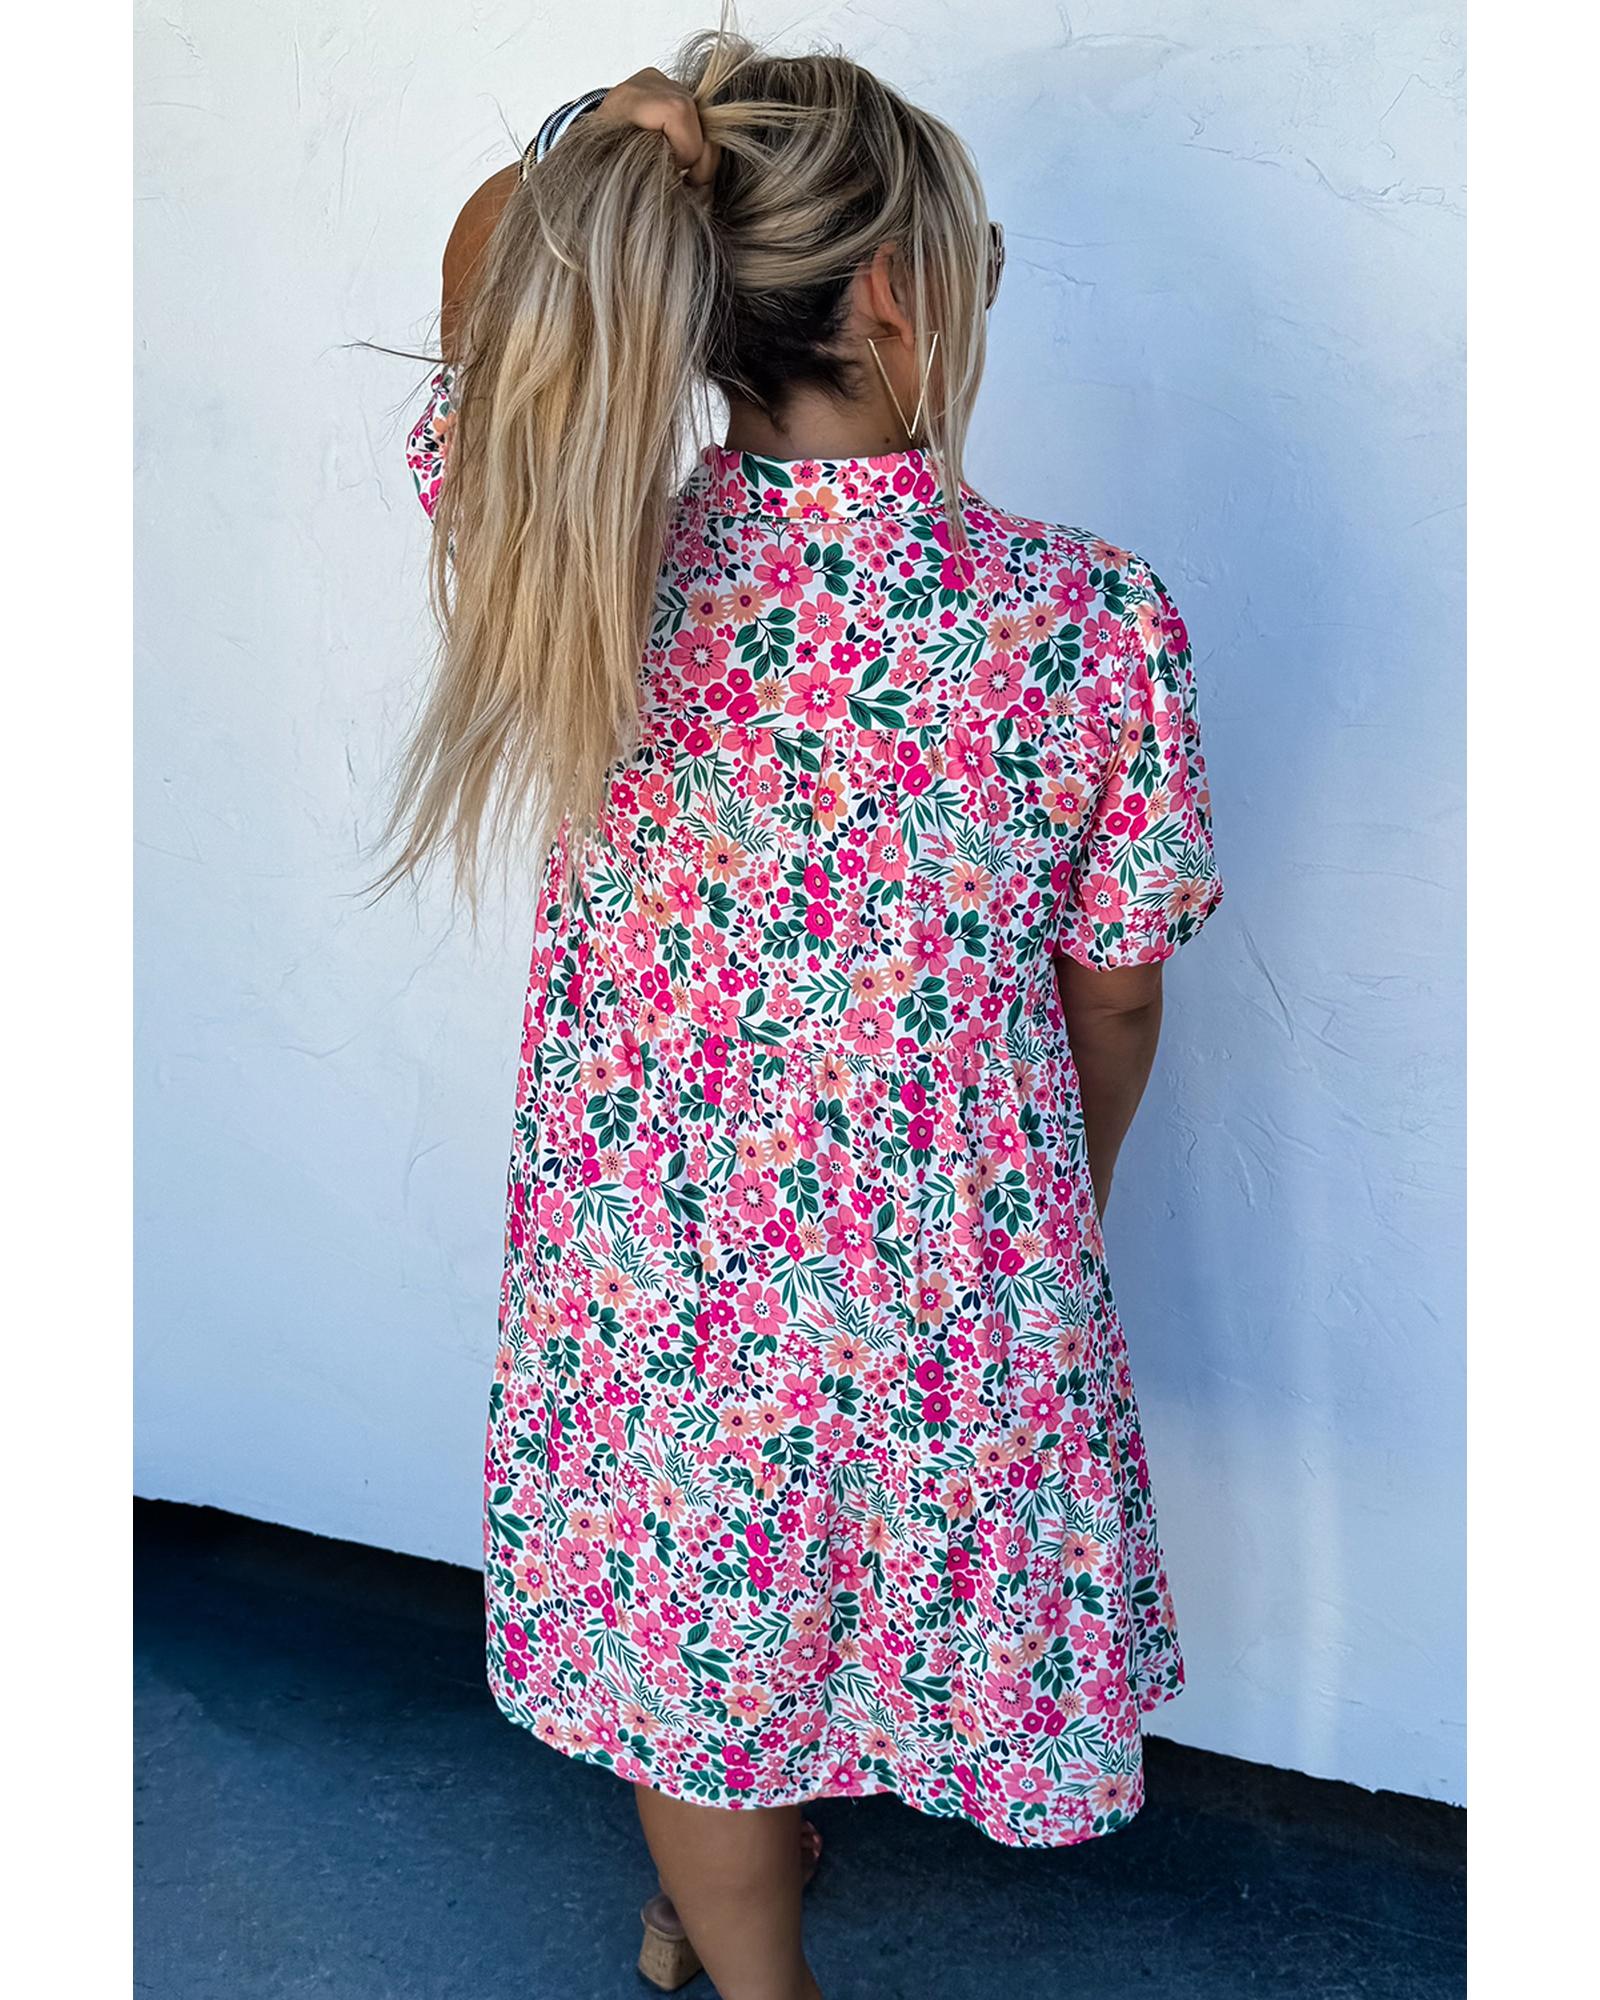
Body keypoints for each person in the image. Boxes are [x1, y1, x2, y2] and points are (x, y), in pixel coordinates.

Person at [385, 25, 1223, 2000]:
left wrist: (592, 143)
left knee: (701, 1652)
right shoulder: (1090, 619)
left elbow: (478, 313)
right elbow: (1111, 1000)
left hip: (654, 1282)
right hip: (945, 1269)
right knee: (863, 1589)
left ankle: (742, 1960)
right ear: (898, 296)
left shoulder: (591, 561)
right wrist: (1064, 1198)